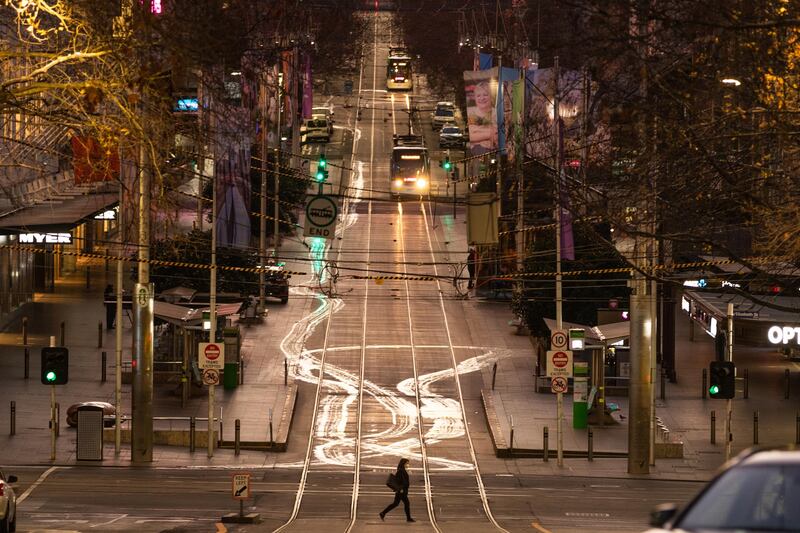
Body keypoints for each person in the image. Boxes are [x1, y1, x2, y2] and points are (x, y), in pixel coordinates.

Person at [467, 80, 498, 156]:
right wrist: (490, 134)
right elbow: (471, 136)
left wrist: (479, 132)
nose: (482, 98)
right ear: (475, 98)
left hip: (495, 149)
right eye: (478, 95)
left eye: (485, 95)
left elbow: (498, 135)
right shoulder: (471, 112)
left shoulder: (497, 113)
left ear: (491, 96)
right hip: (478, 150)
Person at [379, 458, 414, 522]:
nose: (408, 465)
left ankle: (383, 513)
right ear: (403, 464)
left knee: (395, 504)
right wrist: (401, 489)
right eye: (407, 463)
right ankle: (408, 518)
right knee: (406, 503)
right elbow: (399, 481)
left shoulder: (402, 470)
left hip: (401, 490)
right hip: (401, 491)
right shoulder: (400, 471)